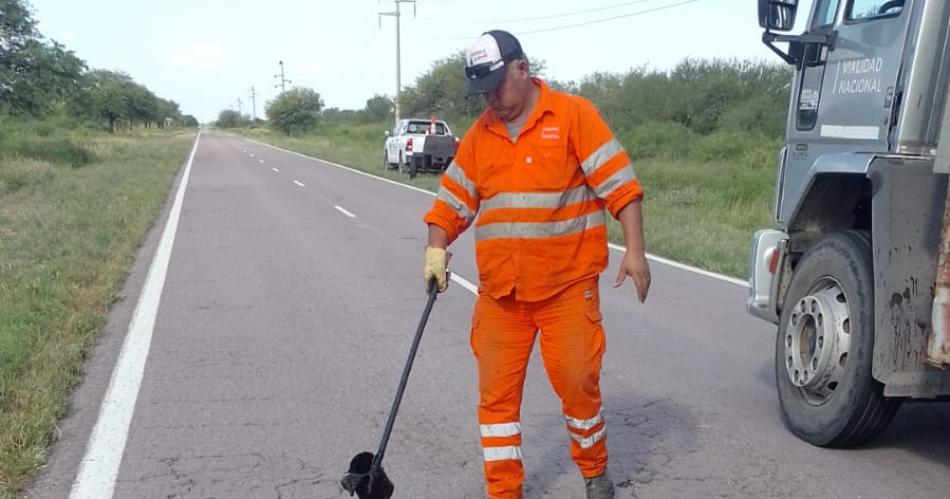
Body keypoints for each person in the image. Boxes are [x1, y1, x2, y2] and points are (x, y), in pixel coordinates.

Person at [422, 30, 651, 499]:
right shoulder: (480, 137)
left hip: (567, 288)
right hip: (501, 295)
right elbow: (449, 205)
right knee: (496, 403)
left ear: (522, 70)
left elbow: (621, 187)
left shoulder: (572, 116)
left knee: (578, 386)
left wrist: (635, 251)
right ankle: (504, 492)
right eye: (481, 91)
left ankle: (594, 471)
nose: (489, 99)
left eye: (495, 85)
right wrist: (436, 248)